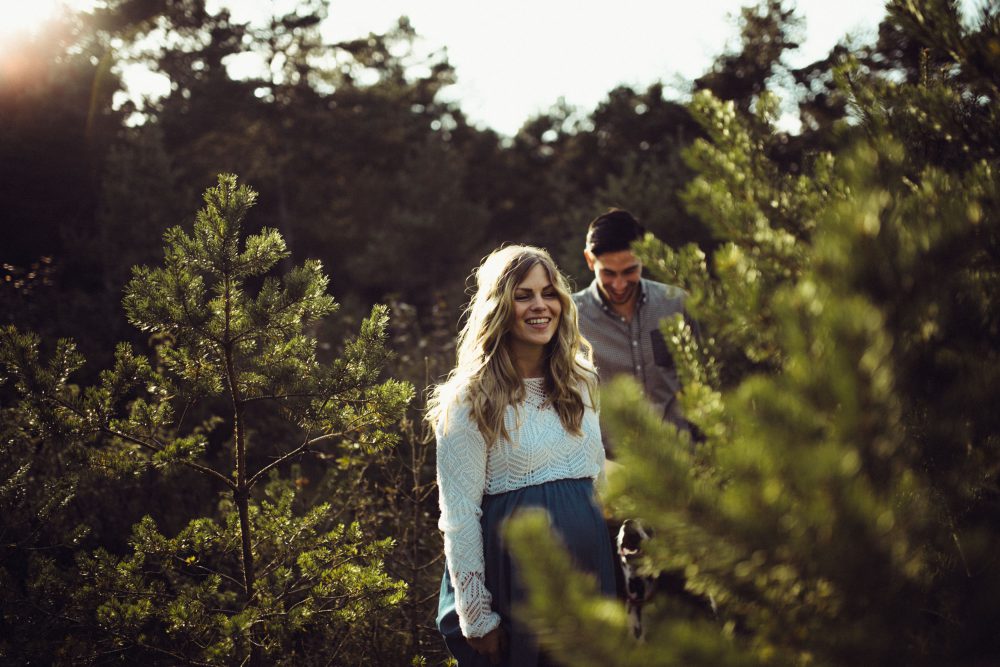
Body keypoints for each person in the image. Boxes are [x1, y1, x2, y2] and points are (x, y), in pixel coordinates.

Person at [429, 245, 616, 666]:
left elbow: (596, 475)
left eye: (549, 293)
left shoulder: (581, 380)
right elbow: (458, 514)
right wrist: (476, 615)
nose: (540, 306)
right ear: (499, 306)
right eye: (523, 294)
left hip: (589, 569)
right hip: (515, 578)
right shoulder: (470, 399)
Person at [571, 208, 696, 449]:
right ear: (589, 260)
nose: (619, 284)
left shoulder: (677, 304)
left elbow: (704, 381)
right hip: (611, 468)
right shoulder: (571, 318)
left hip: (681, 457)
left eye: (630, 271)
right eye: (608, 273)